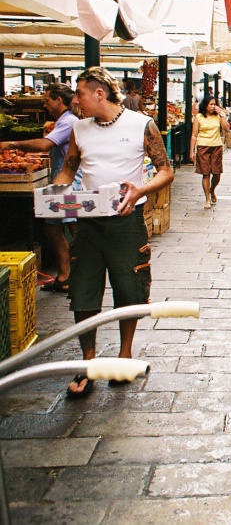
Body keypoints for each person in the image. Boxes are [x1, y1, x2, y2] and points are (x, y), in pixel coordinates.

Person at [52, 67, 174, 398]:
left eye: (79, 94)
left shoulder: (140, 125)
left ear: (99, 94)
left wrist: (141, 190)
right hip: (87, 224)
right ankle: (88, 364)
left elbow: (166, 170)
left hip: (125, 221)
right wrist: (55, 193)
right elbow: (69, 169)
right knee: (83, 292)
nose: (75, 101)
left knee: (129, 288)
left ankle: (124, 356)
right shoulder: (79, 128)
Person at [0, 84, 79, 292]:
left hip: (69, 186)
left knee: (74, 230)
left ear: (58, 101)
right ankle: (64, 276)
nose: (45, 104)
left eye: (47, 100)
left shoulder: (69, 121)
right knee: (52, 227)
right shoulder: (62, 121)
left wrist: (10, 145)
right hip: (58, 184)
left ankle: (80, 275)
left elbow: (45, 145)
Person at [190, 96, 230, 210]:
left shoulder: (218, 116)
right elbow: (194, 134)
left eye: (215, 104)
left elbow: (227, 128)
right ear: (206, 105)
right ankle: (207, 198)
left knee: (217, 173)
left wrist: (222, 114)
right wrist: (192, 150)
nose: (213, 107)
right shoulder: (199, 117)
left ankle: (212, 189)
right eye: (211, 104)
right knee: (206, 173)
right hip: (203, 146)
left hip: (216, 146)